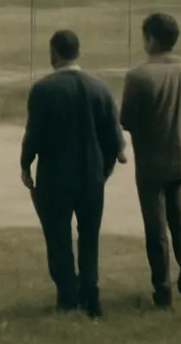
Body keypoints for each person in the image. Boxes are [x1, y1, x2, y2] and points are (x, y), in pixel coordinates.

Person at [20, 30, 126, 318]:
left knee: (58, 237)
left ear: (54, 52)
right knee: (89, 236)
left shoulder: (44, 89)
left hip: (55, 176)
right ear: (77, 52)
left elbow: (35, 134)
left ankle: (67, 296)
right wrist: (108, 165)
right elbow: (114, 137)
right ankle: (91, 296)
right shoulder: (99, 87)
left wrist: (25, 164)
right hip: (92, 175)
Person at [120, 12, 181, 308]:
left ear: (151, 39)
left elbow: (127, 120)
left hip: (154, 161)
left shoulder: (139, 76)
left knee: (157, 227)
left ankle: (163, 289)